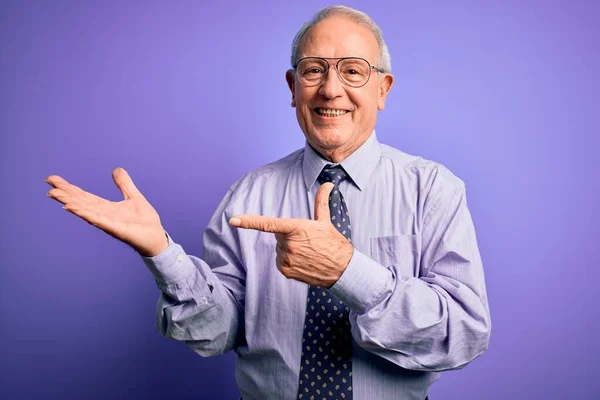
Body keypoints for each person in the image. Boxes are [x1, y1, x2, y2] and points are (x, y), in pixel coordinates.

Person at [45, 5, 491, 400]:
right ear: (293, 86)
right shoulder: (248, 194)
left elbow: (464, 333)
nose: (331, 89)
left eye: (353, 70)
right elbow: (217, 330)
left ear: (383, 89)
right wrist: (162, 253)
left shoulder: (433, 189)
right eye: (314, 70)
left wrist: (350, 273)